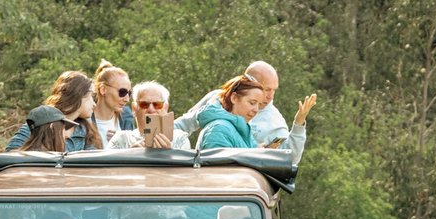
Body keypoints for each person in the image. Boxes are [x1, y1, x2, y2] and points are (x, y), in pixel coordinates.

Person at [177, 61, 316, 162]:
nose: (270, 96)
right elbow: (181, 126)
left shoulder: (274, 120)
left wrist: (298, 124)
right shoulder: (216, 107)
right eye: (267, 89)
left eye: (274, 90)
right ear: (249, 83)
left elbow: (289, 158)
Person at [6, 71, 101, 151]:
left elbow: (93, 165)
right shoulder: (42, 123)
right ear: (79, 95)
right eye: (91, 96)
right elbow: (11, 154)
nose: (94, 104)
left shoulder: (85, 130)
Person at [109, 81, 192, 149]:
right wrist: (130, 157)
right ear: (134, 109)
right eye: (144, 104)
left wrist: (169, 155)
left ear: (166, 108)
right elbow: (105, 169)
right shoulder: (121, 139)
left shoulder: (180, 138)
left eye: (157, 104)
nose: (151, 110)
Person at [194, 75, 267, 150]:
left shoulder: (241, 129)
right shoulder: (219, 130)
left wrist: (258, 151)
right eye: (252, 103)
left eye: (259, 105)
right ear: (234, 98)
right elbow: (220, 161)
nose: (256, 110)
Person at [90, 61, 137, 148]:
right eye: (122, 92)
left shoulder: (126, 116)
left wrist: (123, 141)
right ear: (103, 89)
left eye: (129, 93)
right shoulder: (84, 120)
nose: (126, 99)